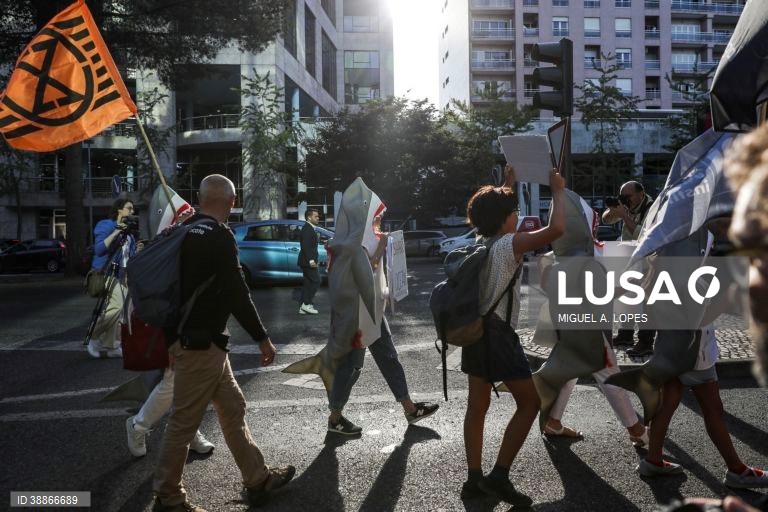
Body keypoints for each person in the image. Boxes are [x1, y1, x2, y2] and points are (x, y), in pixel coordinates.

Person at [152, 174, 295, 512]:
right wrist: (262, 338)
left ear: (202, 199)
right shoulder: (218, 236)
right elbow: (236, 293)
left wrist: (170, 341)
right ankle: (168, 498)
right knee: (184, 423)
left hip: (199, 342)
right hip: (200, 346)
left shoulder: (183, 230)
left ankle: (258, 479)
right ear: (230, 202)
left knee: (232, 408)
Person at [460, 165, 565, 507]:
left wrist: (507, 185)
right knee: (530, 403)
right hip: (499, 335)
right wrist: (558, 191)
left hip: (476, 331)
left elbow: (495, 212)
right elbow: (557, 229)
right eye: (514, 213)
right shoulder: (510, 243)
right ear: (505, 218)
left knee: (477, 407)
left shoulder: (484, 240)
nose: (517, 217)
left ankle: (474, 480)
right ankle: (499, 476)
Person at [327, 214, 440, 434]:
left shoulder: (366, 239)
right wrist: (380, 248)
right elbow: (362, 274)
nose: (380, 219)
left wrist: (388, 291)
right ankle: (335, 418)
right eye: (376, 216)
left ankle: (409, 408)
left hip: (372, 312)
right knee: (351, 368)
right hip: (355, 316)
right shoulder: (351, 243)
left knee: (389, 358)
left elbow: (375, 275)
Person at [636, 324, 768, 489]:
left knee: (668, 402)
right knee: (713, 410)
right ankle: (737, 470)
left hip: (669, 346)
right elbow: (705, 312)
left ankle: (653, 459)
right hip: (694, 349)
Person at [602, 180, 656, 356]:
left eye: (628, 197)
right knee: (628, 298)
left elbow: (643, 236)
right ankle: (625, 335)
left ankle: (646, 342)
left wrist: (624, 216)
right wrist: (614, 209)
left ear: (641, 194)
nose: (626, 200)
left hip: (649, 261)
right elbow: (606, 220)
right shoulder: (628, 207)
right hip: (630, 259)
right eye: (622, 197)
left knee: (647, 300)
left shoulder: (653, 208)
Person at [87, 197, 138, 359]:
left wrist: (137, 248)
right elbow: (99, 249)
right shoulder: (106, 225)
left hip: (123, 276)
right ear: (119, 210)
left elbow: (131, 256)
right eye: (129, 208)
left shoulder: (130, 233)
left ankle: (112, 346)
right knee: (115, 307)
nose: (132, 211)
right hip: (106, 273)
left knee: (120, 313)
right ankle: (93, 337)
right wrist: (117, 231)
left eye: (133, 209)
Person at [298, 208, 321, 315]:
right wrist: (311, 260)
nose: (318, 218)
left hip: (305, 261)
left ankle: (303, 307)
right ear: (309, 217)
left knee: (308, 283)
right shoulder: (307, 229)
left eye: (318, 216)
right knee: (316, 280)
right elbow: (305, 246)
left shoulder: (309, 228)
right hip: (308, 262)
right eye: (315, 216)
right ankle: (306, 304)